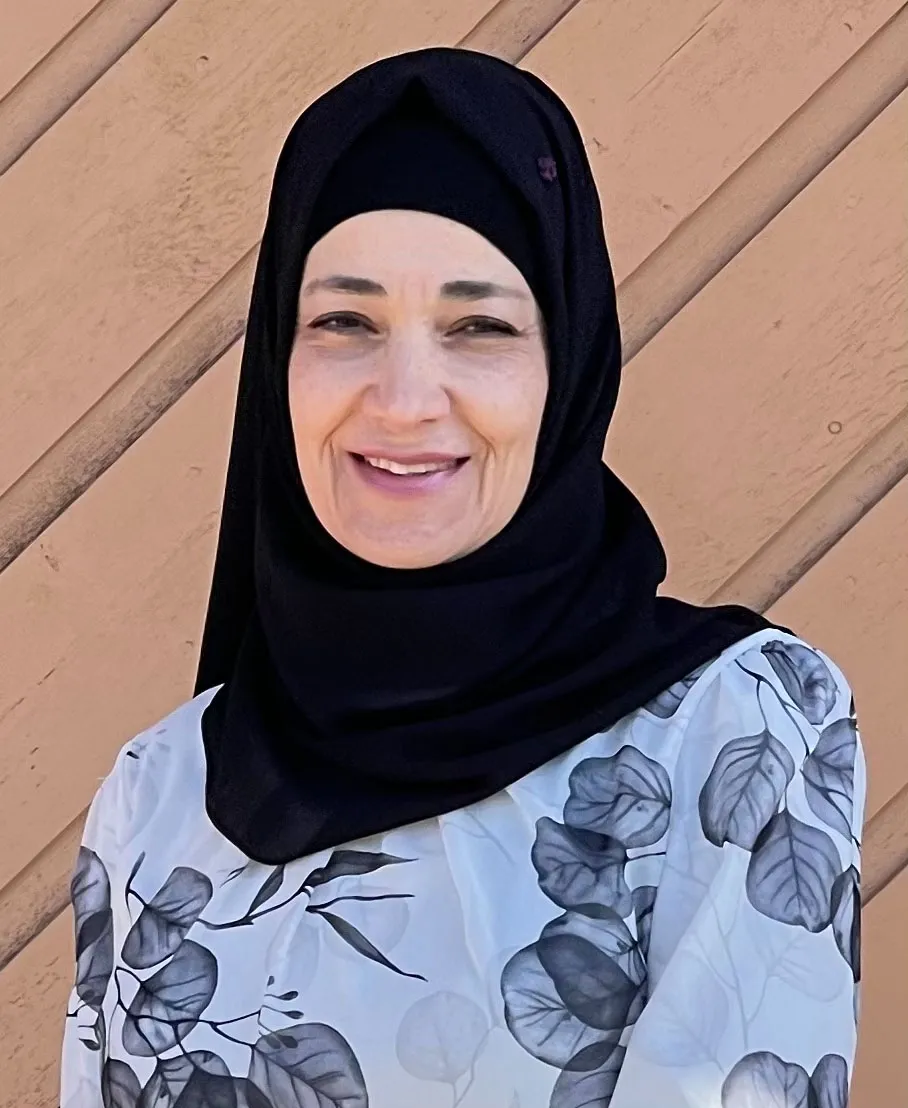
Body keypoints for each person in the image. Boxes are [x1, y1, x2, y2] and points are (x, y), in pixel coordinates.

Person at [60, 47, 864, 1108]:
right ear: (276, 361)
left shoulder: (732, 731)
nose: (402, 398)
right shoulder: (158, 792)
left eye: (477, 326)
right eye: (344, 321)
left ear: (564, 366)